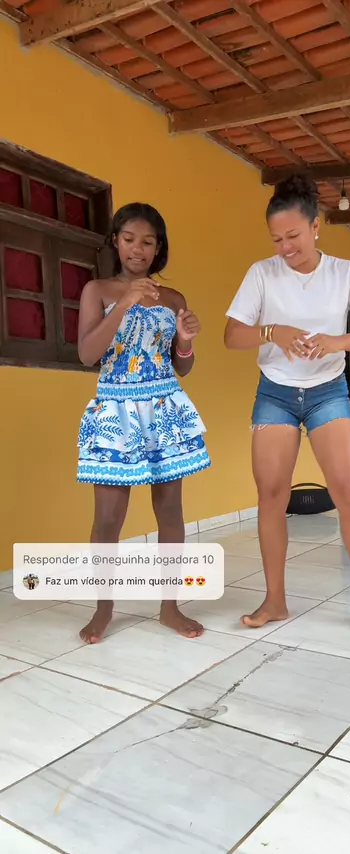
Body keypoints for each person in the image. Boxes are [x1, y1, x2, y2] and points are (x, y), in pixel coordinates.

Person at [224, 175, 350, 635]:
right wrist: (272, 332)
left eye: (293, 236)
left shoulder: (346, 273)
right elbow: (232, 335)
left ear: (316, 226)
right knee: (271, 496)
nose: (285, 248)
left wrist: (334, 341)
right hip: (275, 393)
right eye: (277, 239)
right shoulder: (262, 274)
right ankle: (275, 601)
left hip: (328, 391)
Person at [76, 202, 210, 642]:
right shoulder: (97, 290)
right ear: (115, 242)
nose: (138, 249)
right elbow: (88, 354)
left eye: (148, 242)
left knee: (170, 512)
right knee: (107, 518)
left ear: (158, 248)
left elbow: (181, 366)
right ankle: (103, 609)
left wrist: (185, 341)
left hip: (164, 411)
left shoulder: (173, 299)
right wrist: (125, 302)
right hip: (115, 412)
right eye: (130, 239)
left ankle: (170, 607)